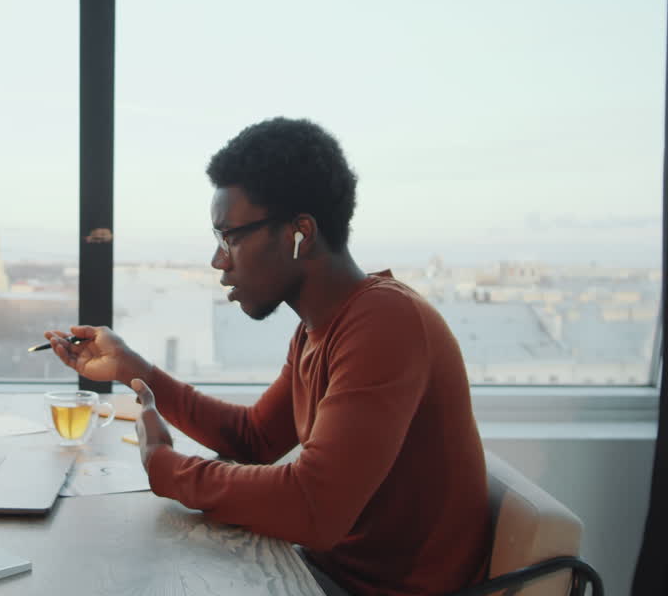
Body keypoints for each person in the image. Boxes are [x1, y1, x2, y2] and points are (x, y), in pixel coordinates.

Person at [46, 117, 491, 596]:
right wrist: (134, 368)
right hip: (324, 576)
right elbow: (253, 437)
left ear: (299, 232)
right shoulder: (319, 328)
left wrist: (164, 466)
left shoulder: (386, 324)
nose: (219, 260)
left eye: (229, 236)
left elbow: (311, 507)